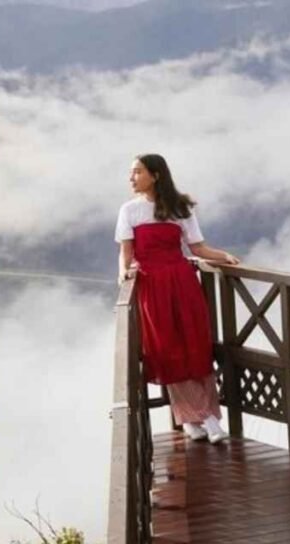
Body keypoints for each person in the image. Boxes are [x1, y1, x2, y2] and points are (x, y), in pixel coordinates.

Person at [115, 154, 239, 444]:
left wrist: (224, 257)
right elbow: (126, 253)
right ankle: (206, 418)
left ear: (155, 175)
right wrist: (123, 273)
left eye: (137, 172)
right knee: (168, 349)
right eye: (131, 173)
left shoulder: (180, 208)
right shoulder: (130, 210)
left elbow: (198, 247)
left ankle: (193, 420)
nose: (131, 178)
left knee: (195, 347)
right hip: (152, 285)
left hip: (182, 281)